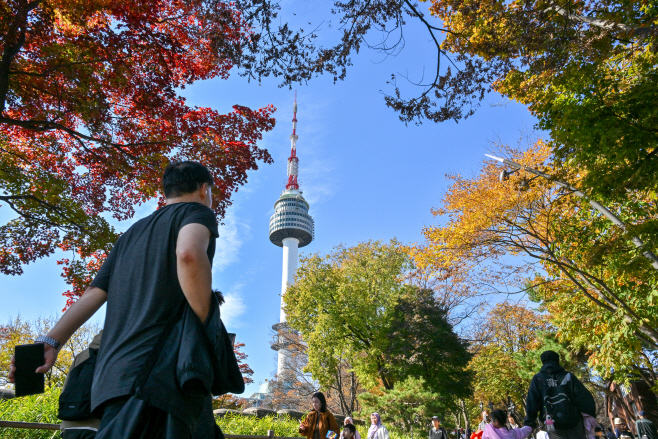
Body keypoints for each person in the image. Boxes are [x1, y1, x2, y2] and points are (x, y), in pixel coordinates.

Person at [9, 161, 223, 438]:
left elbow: (93, 294)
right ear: (205, 189)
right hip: (162, 372)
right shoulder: (196, 212)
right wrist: (205, 320)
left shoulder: (131, 234)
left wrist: (51, 342)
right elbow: (189, 254)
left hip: (112, 377)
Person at [524, 350, 596, 439]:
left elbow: (532, 402)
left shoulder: (538, 378)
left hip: (553, 424)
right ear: (557, 361)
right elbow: (583, 397)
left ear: (542, 362)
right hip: (574, 422)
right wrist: (589, 414)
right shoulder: (568, 376)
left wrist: (530, 423)